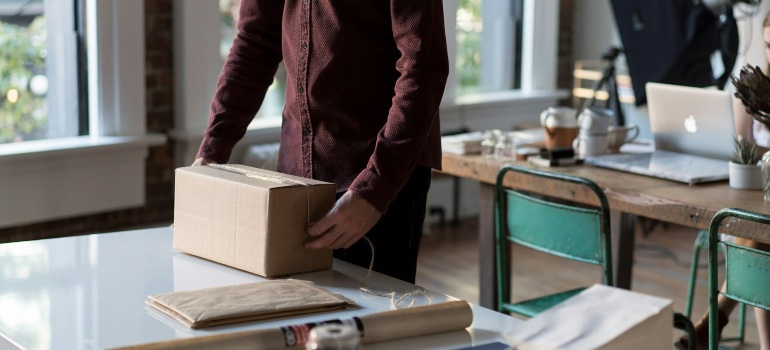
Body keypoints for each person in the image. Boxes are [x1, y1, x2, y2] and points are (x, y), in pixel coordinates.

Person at [193, 1, 449, 284]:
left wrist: (374, 190)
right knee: (295, 317)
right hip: (294, 179)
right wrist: (211, 152)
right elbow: (254, 44)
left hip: (376, 178)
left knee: (373, 323)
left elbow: (423, 68)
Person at [677, 10, 770, 350]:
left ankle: (711, 322)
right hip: (753, 199)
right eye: (768, 45)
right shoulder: (755, 90)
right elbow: (739, 148)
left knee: (758, 236)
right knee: (756, 233)